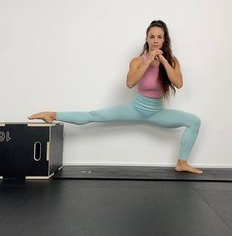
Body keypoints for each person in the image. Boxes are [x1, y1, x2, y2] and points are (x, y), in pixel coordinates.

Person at [28, 20, 203, 174]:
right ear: (147, 39)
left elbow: (179, 83)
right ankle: (52, 114)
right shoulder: (137, 60)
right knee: (94, 115)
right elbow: (130, 83)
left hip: (157, 112)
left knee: (194, 121)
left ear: (165, 39)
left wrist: (163, 60)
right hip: (135, 109)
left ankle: (182, 162)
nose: (156, 40)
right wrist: (148, 60)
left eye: (159, 37)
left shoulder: (172, 61)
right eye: (152, 37)